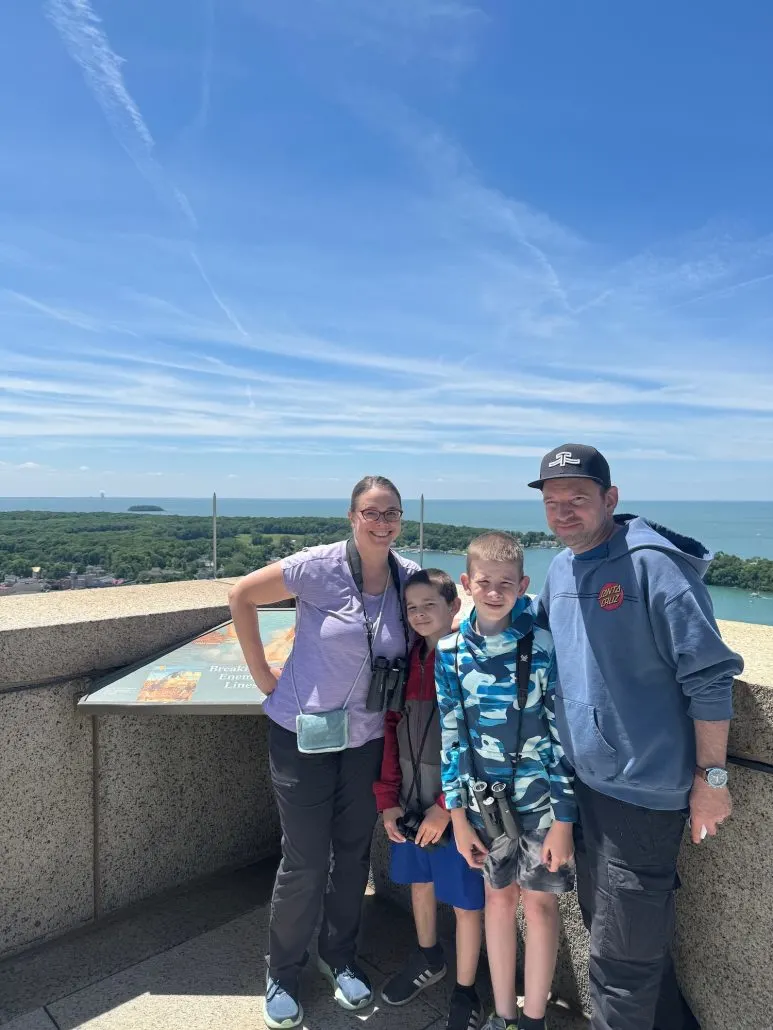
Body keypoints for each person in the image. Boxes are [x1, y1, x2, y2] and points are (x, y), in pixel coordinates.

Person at [528, 443, 744, 1030]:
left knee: (618, 962)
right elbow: (546, 654)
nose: (564, 512)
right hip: (583, 787)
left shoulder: (653, 567)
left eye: (578, 499)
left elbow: (710, 675)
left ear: (610, 498)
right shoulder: (562, 568)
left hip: (641, 797)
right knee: (622, 938)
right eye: (553, 502)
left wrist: (712, 779)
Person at [228, 476, 419, 1030]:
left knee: (353, 855)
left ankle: (341, 958)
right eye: (371, 512)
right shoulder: (318, 566)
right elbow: (241, 595)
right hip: (302, 734)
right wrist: (263, 674)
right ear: (352, 516)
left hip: (365, 740)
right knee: (306, 858)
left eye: (391, 514)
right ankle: (283, 971)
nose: (381, 523)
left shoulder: (405, 577)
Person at [436, 533, 577, 1030]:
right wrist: (457, 818)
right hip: (483, 805)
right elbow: (451, 738)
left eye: (505, 584)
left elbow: (560, 735)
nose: (493, 592)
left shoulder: (540, 647)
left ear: (523, 585)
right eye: (483, 583)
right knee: (499, 900)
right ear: (465, 583)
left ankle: (533, 1018)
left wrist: (564, 820)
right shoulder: (449, 650)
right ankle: (502, 1014)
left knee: (539, 905)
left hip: (539, 800)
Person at [375, 568, 486, 1030]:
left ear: (454, 605)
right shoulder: (407, 660)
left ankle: (465, 990)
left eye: (430, 606)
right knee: (419, 883)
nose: (420, 615)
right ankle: (427, 957)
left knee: (465, 901)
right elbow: (389, 730)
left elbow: (479, 740)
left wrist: (446, 805)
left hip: (452, 811)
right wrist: (388, 801)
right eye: (412, 607)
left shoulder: (468, 660)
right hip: (409, 803)